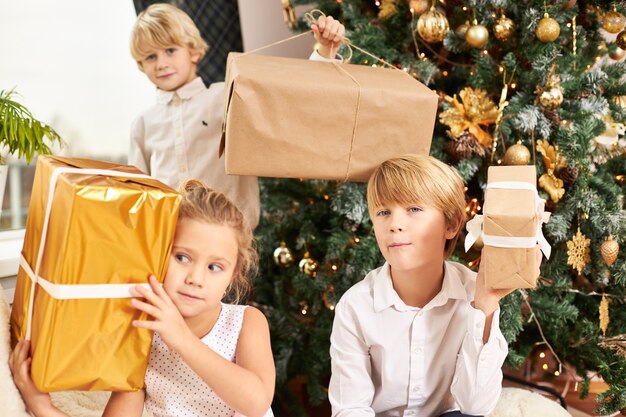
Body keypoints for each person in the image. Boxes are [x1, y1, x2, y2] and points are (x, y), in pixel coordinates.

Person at [10, 179, 275, 417]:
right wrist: (41, 405)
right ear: (158, 254)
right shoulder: (142, 335)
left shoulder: (246, 322)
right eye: (182, 257)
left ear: (234, 274)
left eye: (214, 267)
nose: (195, 278)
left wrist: (181, 339)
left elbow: (255, 403)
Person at [328, 154, 541, 417]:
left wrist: (485, 303)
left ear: (451, 224)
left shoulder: (472, 293)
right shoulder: (356, 306)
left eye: (414, 210)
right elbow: (350, 409)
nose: (394, 225)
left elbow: (474, 407)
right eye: (383, 212)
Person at [128, 3, 346, 230]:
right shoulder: (143, 124)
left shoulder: (226, 95)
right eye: (151, 57)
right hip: (171, 241)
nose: (161, 64)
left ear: (193, 51)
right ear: (141, 65)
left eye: (170, 51)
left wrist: (324, 51)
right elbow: (137, 195)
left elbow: (289, 102)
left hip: (231, 236)